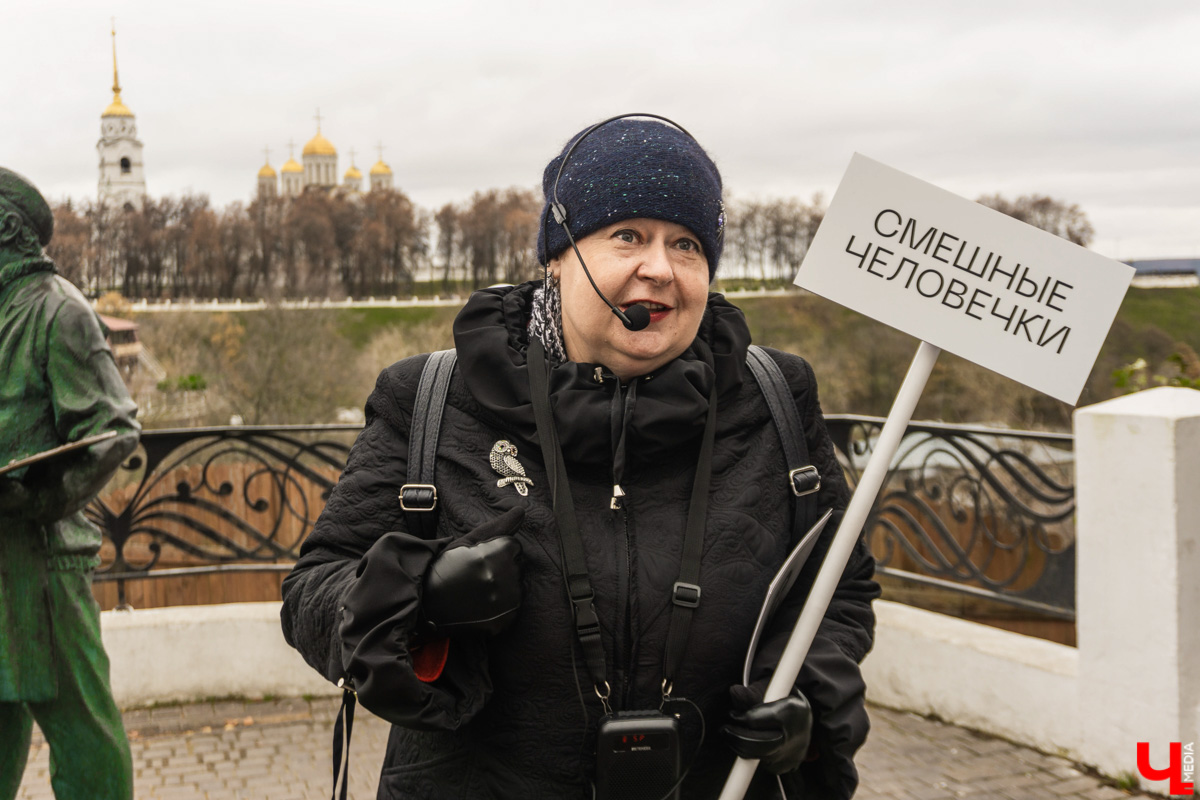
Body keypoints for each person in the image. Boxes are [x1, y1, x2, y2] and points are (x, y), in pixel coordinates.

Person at [281, 116, 879, 799]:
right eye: (627, 236)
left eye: (686, 245)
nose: (658, 267)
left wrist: (807, 692)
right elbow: (312, 595)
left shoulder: (774, 398)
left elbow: (839, 588)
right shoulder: (431, 399)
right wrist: (419, 597)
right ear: (558, 255)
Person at [0, 168, 140, 800]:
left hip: (42, 562)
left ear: (7, 229)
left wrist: (37, 499)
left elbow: (112, 429)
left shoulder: (57, 309)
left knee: (79, 724)